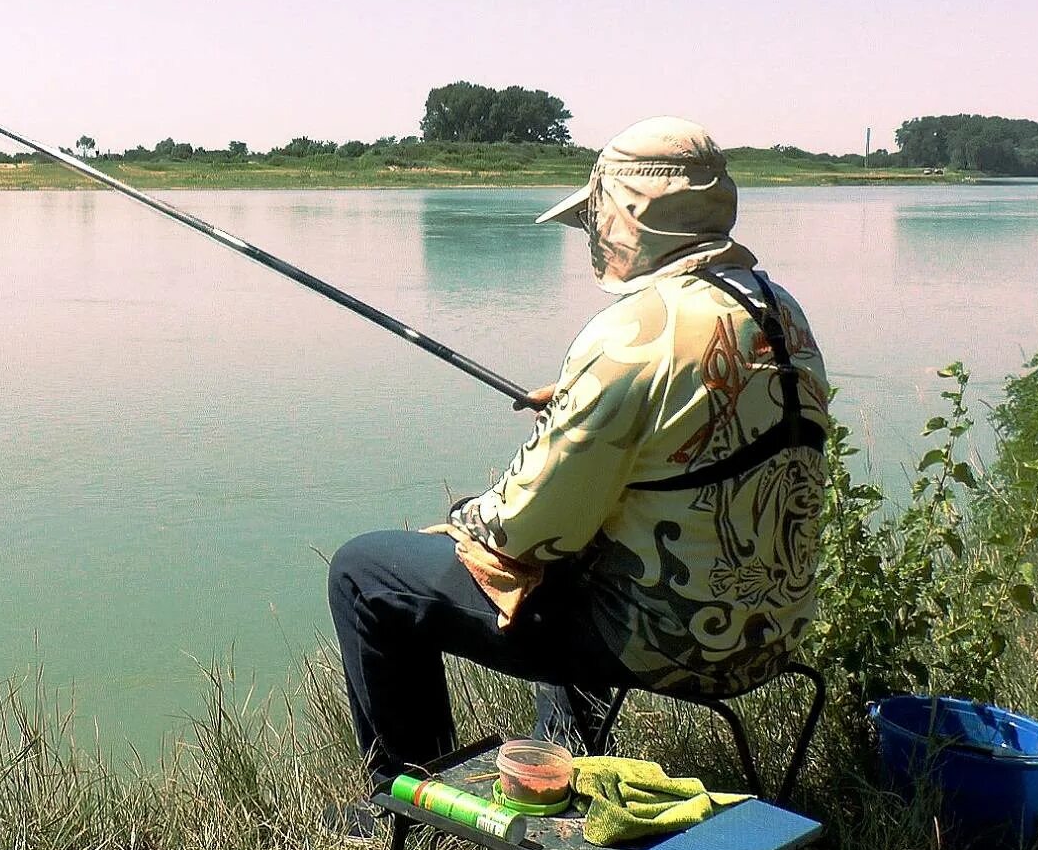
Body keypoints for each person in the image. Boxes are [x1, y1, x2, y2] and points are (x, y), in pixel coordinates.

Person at [326, 116, 831, 814]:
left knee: (366, 571)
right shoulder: (779, 308)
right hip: (774, 629)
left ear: (625, 217)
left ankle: (410, 804)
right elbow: (709, 427)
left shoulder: (632, 333)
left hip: (672, 641)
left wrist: (462, 521)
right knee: (576, 545)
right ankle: (562, 740)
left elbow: (525, 530)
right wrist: (582, 407)